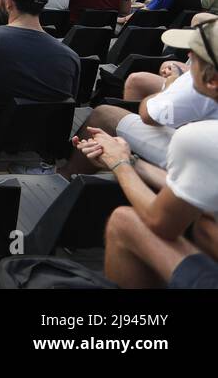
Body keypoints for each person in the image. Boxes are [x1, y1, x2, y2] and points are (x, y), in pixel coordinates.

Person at [71, 17, 218, 288]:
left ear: (212, 80)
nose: (187, 57)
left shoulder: (203, 138)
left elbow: (160, 223)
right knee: (206, 224)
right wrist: (134, 163)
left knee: (124, 221)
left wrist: (119, 165)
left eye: (195, 57)